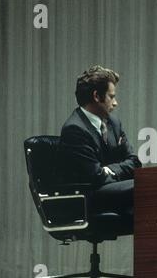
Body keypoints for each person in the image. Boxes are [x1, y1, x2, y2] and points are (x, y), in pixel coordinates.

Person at [59, 65, 141, 216]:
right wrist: (119, 170)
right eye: (111, 96)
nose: (115, 103)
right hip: (89, 198)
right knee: (148, 188)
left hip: (113, 188)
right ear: (97, 96)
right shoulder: (74, 129)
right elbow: (95, 176)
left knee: (156, 194)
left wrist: (110, 170)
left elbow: (135, 162)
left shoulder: (114, 123)